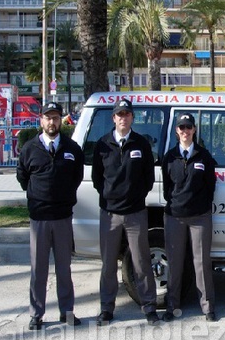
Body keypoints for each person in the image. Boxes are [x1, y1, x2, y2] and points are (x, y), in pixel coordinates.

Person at [16, 102, 84, 330]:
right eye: (48, 118)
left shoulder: (72, 148)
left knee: (64, 268)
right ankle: (36, 313)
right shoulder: (29, 148)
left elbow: (76, 177)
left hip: (63, 217)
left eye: (55, 118)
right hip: (39, 218)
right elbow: (23, 177)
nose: (52, 122)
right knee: (39, 269)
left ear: (60, 121)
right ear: (41, 121)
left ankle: (67, 311)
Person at [91, 99, 159, 326]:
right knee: (108, 264)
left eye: (127, 114)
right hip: (110, 213)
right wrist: (110, 196)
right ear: (114, 118)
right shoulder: (102, 144)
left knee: (141, 262)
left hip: (135, 213)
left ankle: (149, 307)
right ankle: (106, 309)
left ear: (132, 118)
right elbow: (97, 179)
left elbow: (148, 177)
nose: (123, 118)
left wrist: (135, 196)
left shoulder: (141, 144)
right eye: (119, 114)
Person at [161, 113, 217, 322]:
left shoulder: (204, 156)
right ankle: (172, 305)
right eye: (181, 128)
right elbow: (168, 188)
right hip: (175, 216)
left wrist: (198, 204)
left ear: (194, 130)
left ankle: (208, 307)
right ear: (177, 131)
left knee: (201, 263)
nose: (185, 131)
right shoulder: (170, 157)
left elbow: (210, 186)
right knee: (175, 263)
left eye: (189, 127)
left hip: (200, 217)